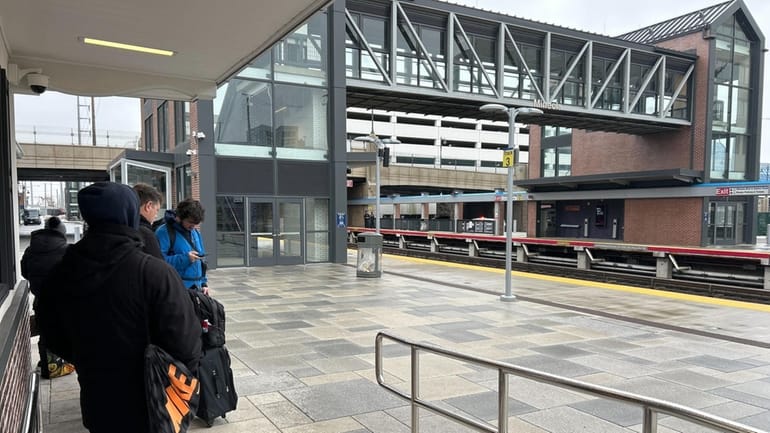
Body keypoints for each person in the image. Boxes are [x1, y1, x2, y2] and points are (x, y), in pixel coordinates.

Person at [36, 182, 202, 433]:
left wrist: (86, 357)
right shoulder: (154, 272)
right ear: (130, 214)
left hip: (97, 399)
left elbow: (50, 328)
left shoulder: (62, 271)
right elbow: (186, 343)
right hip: (150, 404)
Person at [21, 216, 74, 379]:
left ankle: (47, 366)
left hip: (41, 300)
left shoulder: (30, 250)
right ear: (61, 233)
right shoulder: (66, 250)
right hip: (63, 301)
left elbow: (24, 272)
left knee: (44, 333)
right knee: (64, 331)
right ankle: (60, 365)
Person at [156, 198, 209, 294]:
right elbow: (158, 262)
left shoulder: (195, 232)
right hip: (176, 289)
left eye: (196, 223)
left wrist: (203, 283)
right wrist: (185, 259)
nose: (193, 226)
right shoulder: (163, 232)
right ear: (179, 217)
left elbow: (202, 260)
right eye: (190, 222)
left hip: (197, 288)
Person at [132, 183, 163, 259]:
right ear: (148, 206)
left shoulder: (123, 227)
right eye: (157, 210)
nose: (156, 216)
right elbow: (158, 264)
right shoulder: (146, 235)